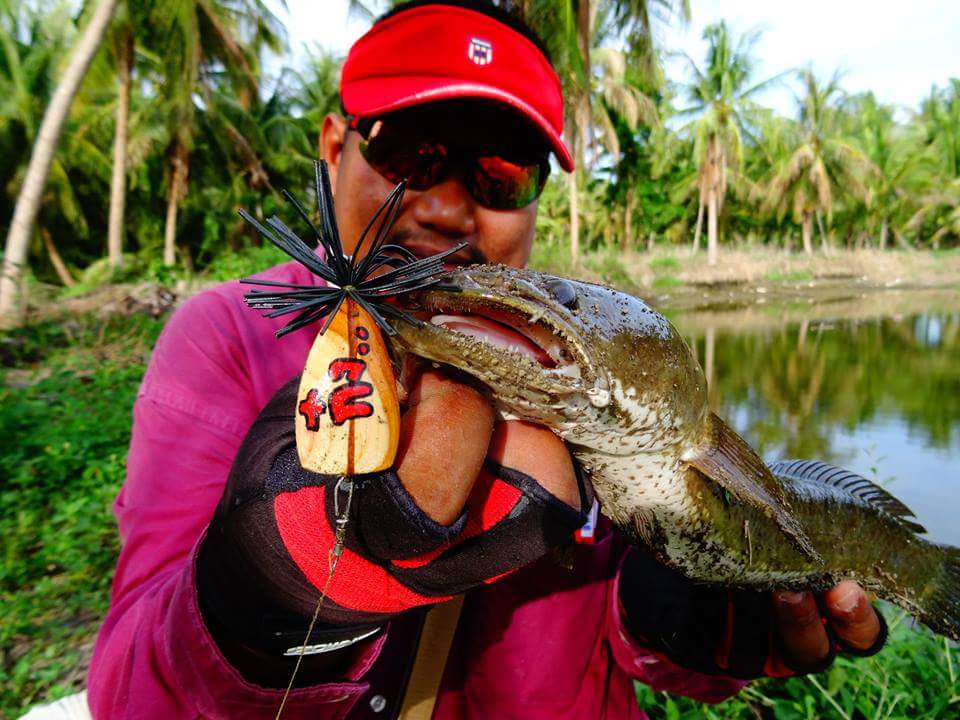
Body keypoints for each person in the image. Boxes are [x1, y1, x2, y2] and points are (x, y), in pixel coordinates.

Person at [86, 2, 885, 718]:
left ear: (538, 199)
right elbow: (131, 692)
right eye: (407, 154)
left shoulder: (572, 351)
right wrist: (266, 593)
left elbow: (635, 642)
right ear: (335, 147)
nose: (443, 208)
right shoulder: (229, 334)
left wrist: (678, 616)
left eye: (500, 176)